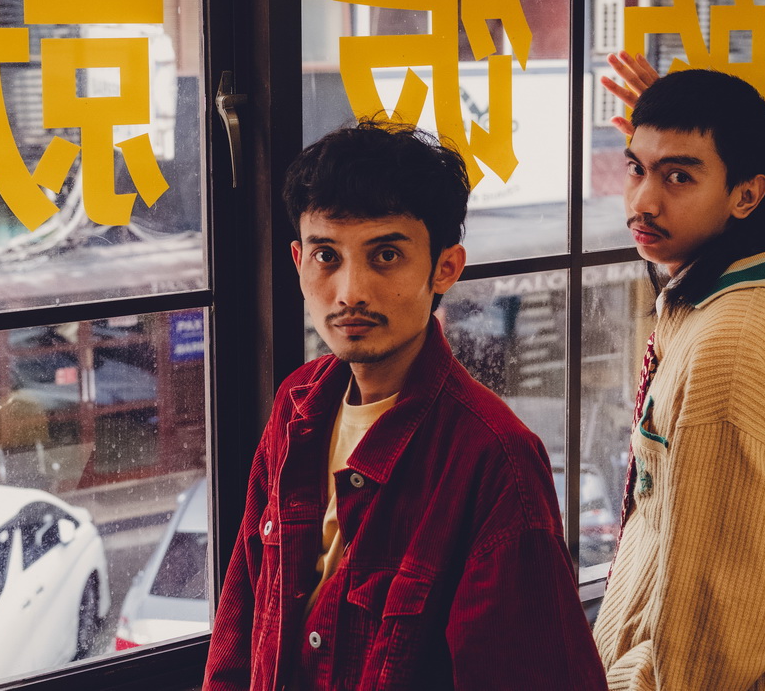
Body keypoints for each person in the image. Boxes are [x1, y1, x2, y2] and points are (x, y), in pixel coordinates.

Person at [203, 120, 607, 690]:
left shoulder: (494, 459)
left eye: (386, 255)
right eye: (326, 256)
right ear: (298, 261)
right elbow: (240, 621)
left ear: (446, 267)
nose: (350, 292)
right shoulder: (297, 404)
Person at [592, 60, 765, 690]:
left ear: (746, 196)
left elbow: (710, 636)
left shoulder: (725, 357)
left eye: (679, 177)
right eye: (638, 168)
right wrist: (697, 126)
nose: (643, 202)